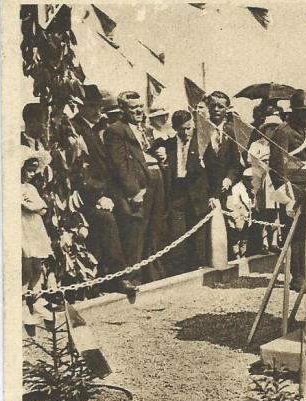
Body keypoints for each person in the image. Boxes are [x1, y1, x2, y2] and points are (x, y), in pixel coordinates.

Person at [71, 84, 134, 292]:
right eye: (92, 107)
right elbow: (78, 170)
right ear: (81, 107)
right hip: (84, 195)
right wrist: (98, 196)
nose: (98, 111)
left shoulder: (98, 128)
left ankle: (122, 270)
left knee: (128, 212)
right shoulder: (74, 130)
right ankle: (117, 276)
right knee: (106, 220)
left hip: (104, 190)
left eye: (99, 107)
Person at [104, 91, 156, 285]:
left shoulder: (145, 129)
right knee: (134, 234)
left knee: (151, 231)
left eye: (140, 107)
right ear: (123, 109)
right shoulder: (116, 130)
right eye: (133, 108)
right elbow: (120, 165)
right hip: (135, 191)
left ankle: (148, 276)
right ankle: (132, 279)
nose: (138, 111)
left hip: (152, 185)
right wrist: (133, 192)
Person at [162, 110, 212, 275]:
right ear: (175, 128)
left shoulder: (203, 142)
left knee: (198, 234)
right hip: (177, 193)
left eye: (189, 128)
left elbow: (215, 169)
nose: (186, 132)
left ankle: (198, 267)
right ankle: (178, 270)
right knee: (177, 233)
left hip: (197, 194)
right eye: (182, 129)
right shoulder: (168, 145)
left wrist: (213, 194)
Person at [269, 89, 306, 291]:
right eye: (303, 111)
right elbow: (277, 168)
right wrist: (287, 198)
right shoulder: (283, 132)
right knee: (295, 236)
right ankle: (298, 276)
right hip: (292, 191)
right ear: (295, 111)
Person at [21, 145, 54, 320]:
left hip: (34, 227)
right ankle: (22, 303)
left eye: (35, 171)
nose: (32, 174)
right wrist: (33, 206)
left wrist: (35, 207)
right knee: (25, 266)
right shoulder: (13, 189)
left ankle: (36, 298)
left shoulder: (30, 188)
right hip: (22, 227)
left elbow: (41, 208)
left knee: (37, 264)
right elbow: (28, 206)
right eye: (29, 170)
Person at [247, 113, 283, 253]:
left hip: (273, 179)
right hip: (260, 178)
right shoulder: (257, 144)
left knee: (275, 211)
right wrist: (263, 160)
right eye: (270, 128)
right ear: (265, 129)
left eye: (275, 128)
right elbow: (250, 160)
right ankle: (263, 242)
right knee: (262, 211)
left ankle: (274, 241)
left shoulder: (278, 145)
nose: (272, 131)